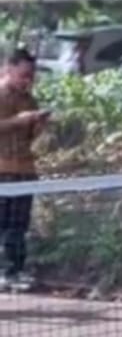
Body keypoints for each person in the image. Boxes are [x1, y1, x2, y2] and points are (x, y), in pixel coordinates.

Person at [0, 48, 50, 287]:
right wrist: (19, 121)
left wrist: (38, 125)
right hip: (2, 172)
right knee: (3, 225)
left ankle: (15, 271)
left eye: (31, 76)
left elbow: (29, 138)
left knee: (19, 225)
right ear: (8, 69)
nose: (27, 81)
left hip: (24, 171)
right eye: (23, 75)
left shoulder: (30, 100)